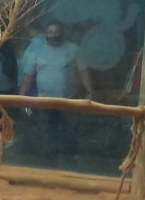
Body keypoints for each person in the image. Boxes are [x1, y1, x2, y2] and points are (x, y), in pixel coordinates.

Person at [18, 22, 93, 165]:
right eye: (50, 32)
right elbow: (28, 77)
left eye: (56, 32)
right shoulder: (37, 51)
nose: (53, 35)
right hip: (43, 102)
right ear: (45, 33)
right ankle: (46, 161)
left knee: (68, 130)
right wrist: (21, 98)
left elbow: (84, 71)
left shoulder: (73, 49)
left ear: (62, 33)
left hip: (68, 100)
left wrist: (89, 91)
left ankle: (69, 159)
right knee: (46, 130)